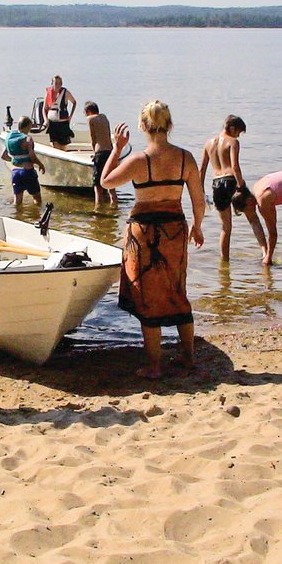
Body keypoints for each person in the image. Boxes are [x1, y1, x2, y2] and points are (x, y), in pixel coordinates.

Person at [100, 100, 206, 379]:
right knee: (176, 290)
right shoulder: (185, 158)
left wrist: (117, 149)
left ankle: (154, 366)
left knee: (147, 298)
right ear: (169, 125)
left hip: (144, 232)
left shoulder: (139, 160)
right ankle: (188, 358)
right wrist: (198, 227)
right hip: (174, 230)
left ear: (143, 126)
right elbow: (198, 199)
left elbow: (106, 182)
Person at [199, 115, 265, 261]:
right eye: (239, 133)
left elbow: (202, 169)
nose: (238, 136)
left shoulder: (208, 143)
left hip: (216, 184)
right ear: (233, 128)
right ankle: (266, 252)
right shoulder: (233, 142)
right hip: (231, 182)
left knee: (225, 227)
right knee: (252, 217)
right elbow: (235, 166)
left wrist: (201, 190)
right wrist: (242, 188)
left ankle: (225, 262)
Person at [0, 115, 46, 206]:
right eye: (30, 126)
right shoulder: (28, 138)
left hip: (15, 172)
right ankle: (36, 217)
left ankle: (18, 217)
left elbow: (3, 156)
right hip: (28, 172)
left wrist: (15, 160)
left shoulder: (9, 137)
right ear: (27, 126)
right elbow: (32, 156)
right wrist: (40, 164)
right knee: (37, 200)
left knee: (17, 202)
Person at [85, 101, 118, 206]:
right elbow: (107, 134)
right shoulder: (104, 117)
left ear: (88, 111)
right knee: (110, 183)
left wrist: (95, 154)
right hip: (110, 151)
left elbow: (93, 138)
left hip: (100, 153)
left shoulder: (90, 119)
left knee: (98, 185)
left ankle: (98, 209)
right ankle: (114, 206)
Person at [43, 75, 77, 150]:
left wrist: (70, 116)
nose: (58, 85)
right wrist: (46, 120)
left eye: (59, 83)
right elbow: (44, 108)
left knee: (62, 145)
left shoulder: (65, 92)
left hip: (63, 122)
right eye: (56, 83)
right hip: (52, 122)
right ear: (52, 83)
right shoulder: (48, 93)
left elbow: (74, 102)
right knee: (54, 144)